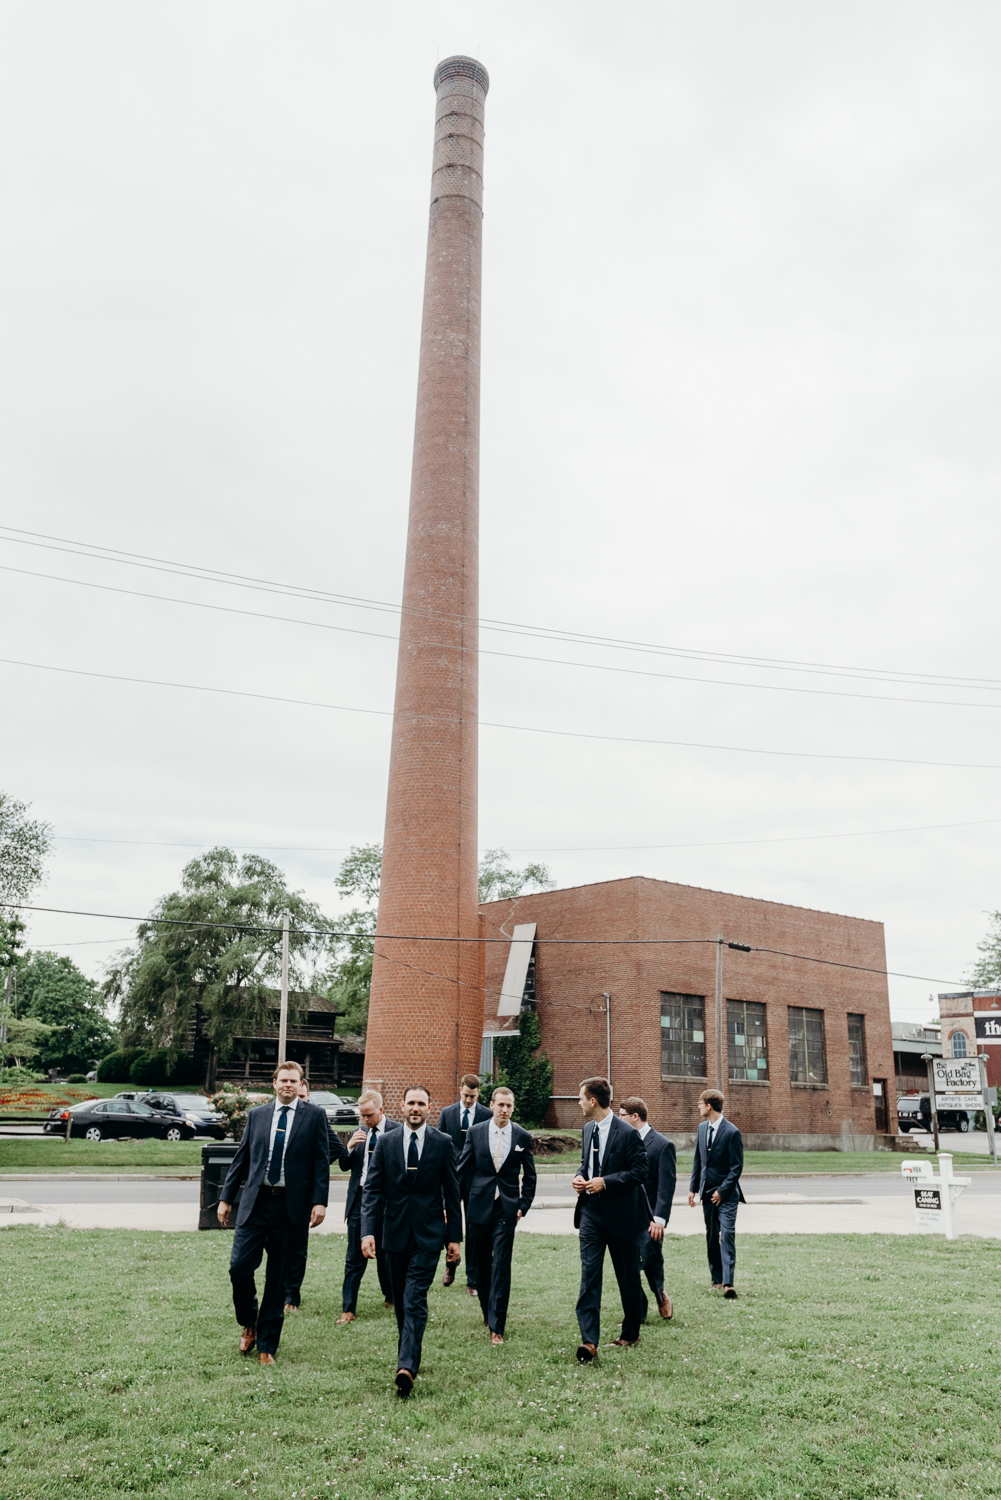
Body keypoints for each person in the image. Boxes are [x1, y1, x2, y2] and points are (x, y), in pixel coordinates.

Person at [218, 1060, 330, 1364]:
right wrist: (226, 1197)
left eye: (294, 1081)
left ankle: (267, 1345)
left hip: (289, 1209)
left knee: (277, 1280)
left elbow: (321, 1161)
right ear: (274, 1083)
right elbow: (242, 1158)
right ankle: (249, 1320)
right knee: (239, 1267)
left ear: (301, 1084)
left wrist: (320, 1201)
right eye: (283, 1080)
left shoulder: (315, 1117)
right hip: (255, 1204)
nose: (288, 1085)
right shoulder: (257, 1116)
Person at [361, 1084, 462, 1397]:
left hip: (428, 1235)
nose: (415, 1108)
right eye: (411, 1103)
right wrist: (367, 1231)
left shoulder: (442, 1143)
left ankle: (405, 1366)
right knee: (401, 1302)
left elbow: (452, 1191)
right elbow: (373, 1190)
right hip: (393, 1234)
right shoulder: (386, 1143)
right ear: (401, 1107)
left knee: (415, 1297)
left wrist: (454, 1239)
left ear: (429, 1108)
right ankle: (409, 1353)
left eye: (421, 1103)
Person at [571, 1076, 648, 1362]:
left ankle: (631, 1332)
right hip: (590, 1213)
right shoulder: (587, 1129)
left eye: (580, 1097)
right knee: (589, 1275)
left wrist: (608, 1182)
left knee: (627, 1276)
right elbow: (586, 1164)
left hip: (622, 1216)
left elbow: (640, 1172)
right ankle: (589, 1341)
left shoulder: (627, 1133)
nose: (578, 1102)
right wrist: (580, 1177)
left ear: (593, 1101)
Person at [457, 1085, 537, 1344]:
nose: (504, 1110)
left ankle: (497, 1326)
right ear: (491, 1105)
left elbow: (531, 1175)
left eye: (509, 1106)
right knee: (481, 1266)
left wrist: (522, 1206)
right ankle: (486, 1312)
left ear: (513, 1108)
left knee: (501, 1265)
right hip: (478, 1207)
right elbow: (463, 1169)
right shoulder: (476, 1132)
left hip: (507, 1208)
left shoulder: (522, 1136)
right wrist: (452, 1204)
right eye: (500, 1105)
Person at [333, 1088, 402, 1324]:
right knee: (354, 1257)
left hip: (386, 1200)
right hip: (360, 1199)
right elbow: (343, 1166)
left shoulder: (397, 1132)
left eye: (369, 1115)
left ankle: (391, 1295)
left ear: (381, 1110)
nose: (365, 1120)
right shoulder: (359, 1132)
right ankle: (348, 1308)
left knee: (386, 1253)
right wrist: (349, 1146)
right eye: (362, 1116)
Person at [618, 1097, 676, 1321]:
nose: (618, 1119)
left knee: (651, 1259)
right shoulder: (622, 1141)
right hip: (626, 1214)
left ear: (634, 1116)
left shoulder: (662, 1145)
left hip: (651, 1216)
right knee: (628, 1264)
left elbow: (666, 1186)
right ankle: (637, 1311)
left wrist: (659, 1219)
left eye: (621, 1115)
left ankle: (660, 1292)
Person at [687, 1088, 745, 1299]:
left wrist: (722, 1191)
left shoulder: (732, 1132)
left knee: (727, 1234)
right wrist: (693, 1188)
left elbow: (736, 1168)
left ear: (709, 1106)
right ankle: (717, 1280)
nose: (698, 1107)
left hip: (727, 1195)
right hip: (706, 1194)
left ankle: (729, 1284)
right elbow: (698, 1161)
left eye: (700, 1103)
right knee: (712, 1236)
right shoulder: (702, 1129)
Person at [438, 1074, 491, 1292]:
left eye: (473, 1097)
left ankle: (473, 1279)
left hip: (475, 1179)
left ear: (478, 1093)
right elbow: (439, 1144)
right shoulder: (447, 1113)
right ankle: (451, 1264)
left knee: (474, 1228)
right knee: (448, 1221)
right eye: (466, 1096)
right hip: (451, 1177)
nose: (469, 1100)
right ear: (460, 1090)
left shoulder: (486, 1115)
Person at [283, 1076, 314, 1314]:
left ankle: (292, 1293)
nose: (299, 1100)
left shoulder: (314, 1118)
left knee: (296, 1248)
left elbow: (330, 1150)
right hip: (276, 1191)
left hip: (300, 1194)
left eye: (303, 1097)